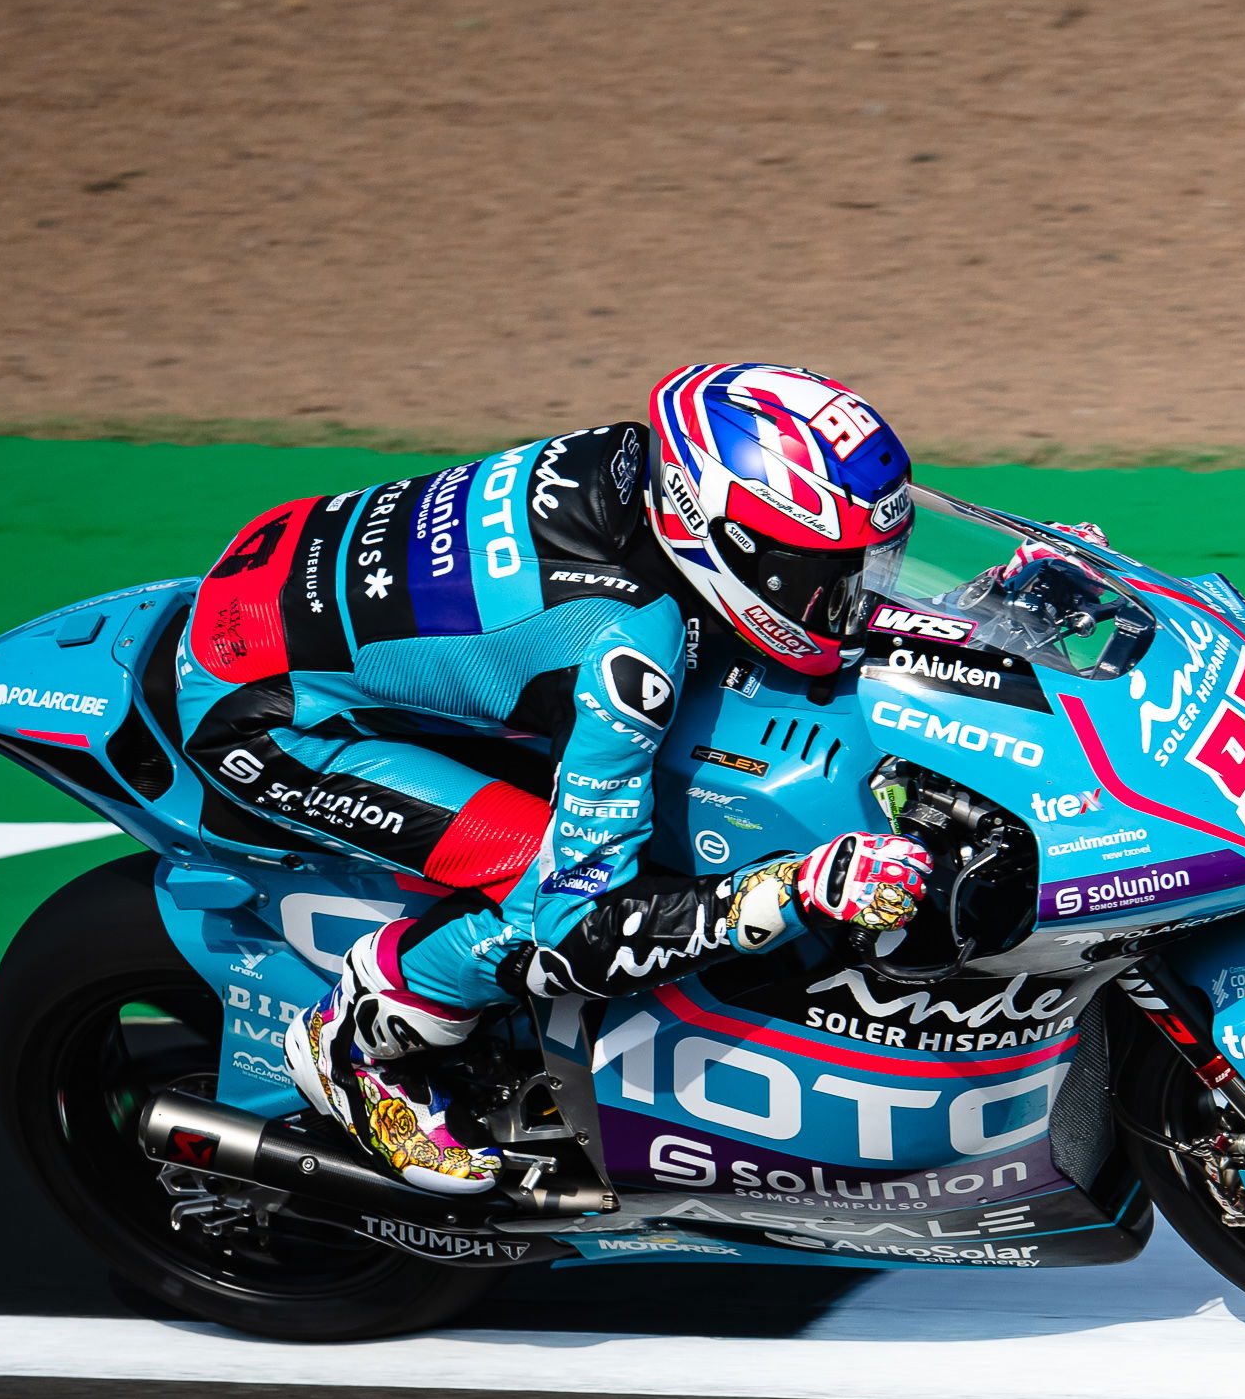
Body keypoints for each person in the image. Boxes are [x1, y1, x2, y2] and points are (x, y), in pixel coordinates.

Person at [170, 363, 936, 1193]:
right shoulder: (624, 655)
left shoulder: (639, 459)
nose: (854, 597)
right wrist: (801, 887)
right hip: (266, 713)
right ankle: (353, 1040)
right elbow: (578, 930)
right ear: (725, 539)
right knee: (539, 887)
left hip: (286, 566)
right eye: (829, 575)